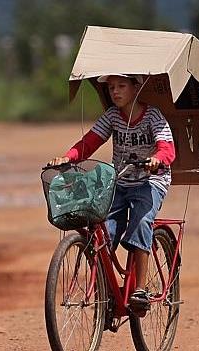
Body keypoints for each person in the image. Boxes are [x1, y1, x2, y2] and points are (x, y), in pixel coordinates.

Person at [47, 74, 176, 309]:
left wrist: (157, 159)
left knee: (141, 220)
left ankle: (140, 290)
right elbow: (90, 142)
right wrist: (69, 156)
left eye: (121, 86)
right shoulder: (112, 117)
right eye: (111, 87)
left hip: (151, 181)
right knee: (104, 230)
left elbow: (167, 148)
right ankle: (106, 290)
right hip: (120, 181)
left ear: (135, 88)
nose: (115, 92)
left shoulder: (153, 116)